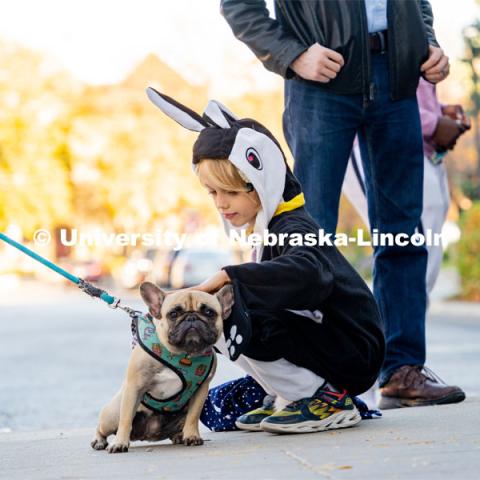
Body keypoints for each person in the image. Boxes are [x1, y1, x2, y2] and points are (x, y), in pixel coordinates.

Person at [221, 0, 465, 408]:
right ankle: (306, 380)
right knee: (307, 237)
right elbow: (239, 6)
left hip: (399, 80)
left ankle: (402, 369)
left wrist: (427, 43)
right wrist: (292, 54)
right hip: (321, 83)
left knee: (403, 232)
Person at [146, 88, 385, 434]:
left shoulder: (294, 226)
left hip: (353, 349)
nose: (220, 203)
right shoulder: (269, 227)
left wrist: (230, 276)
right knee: (223, 316)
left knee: (234, 313)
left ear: (262, 180)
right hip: (332, 342)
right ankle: (287, 394)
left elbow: (310, 273)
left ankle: (325, 398)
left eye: (230, 192)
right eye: (213, 192)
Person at [343, 78, 471, 295]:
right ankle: (385, 322)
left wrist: (441, 111)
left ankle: (407, 321)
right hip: (375, 143)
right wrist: (433, 122)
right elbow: (373, 91)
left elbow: (413, 92)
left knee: (428, 230)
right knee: (402, 241)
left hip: (421, 146)